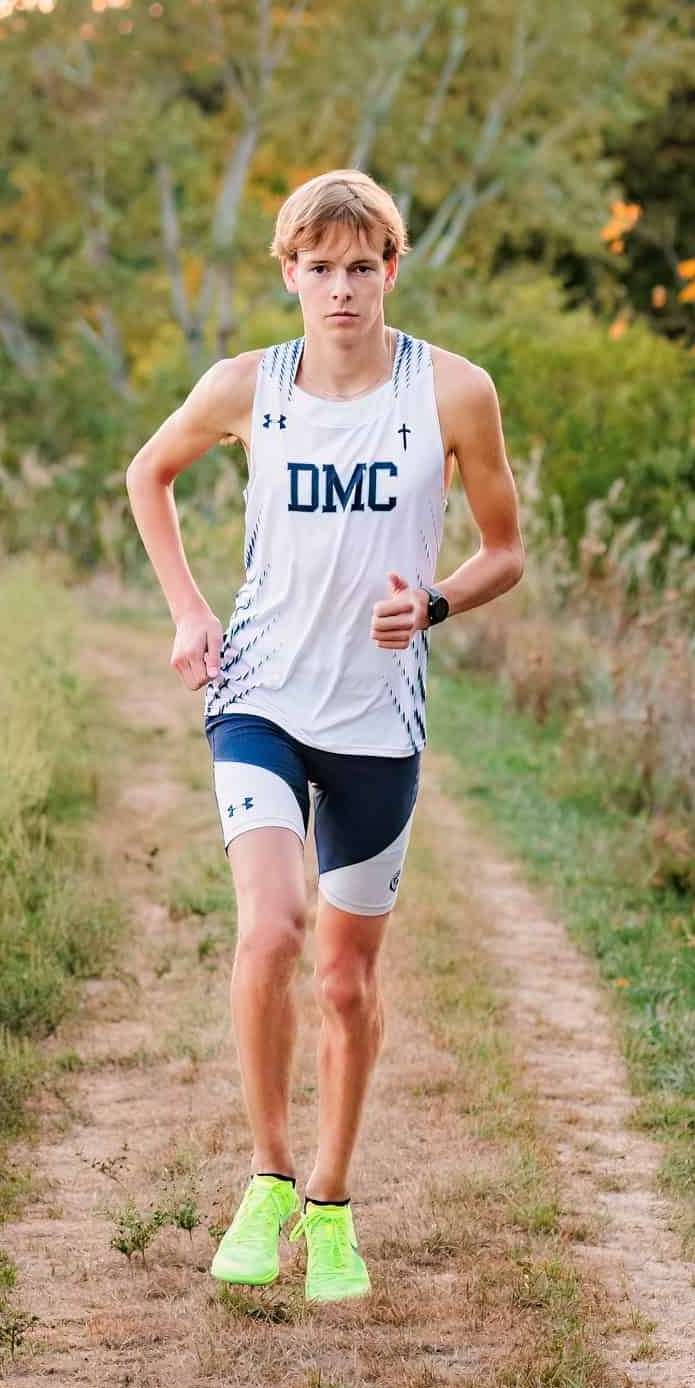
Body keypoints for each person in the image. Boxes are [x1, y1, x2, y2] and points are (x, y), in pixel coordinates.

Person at [124, 169, 524, 1302]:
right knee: (270, 931)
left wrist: (437, 603)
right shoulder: (246, 384)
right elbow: (148, 474)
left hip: (377, 718)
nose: (340, 287)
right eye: (319, 266)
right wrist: (189, 612)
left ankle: (334, 1205)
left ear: (390, 269)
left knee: (346, 981)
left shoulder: (451, 391)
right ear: (288, 273)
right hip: (257, 692)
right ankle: (266, 1176)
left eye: (362, 266)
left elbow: (506, 549)